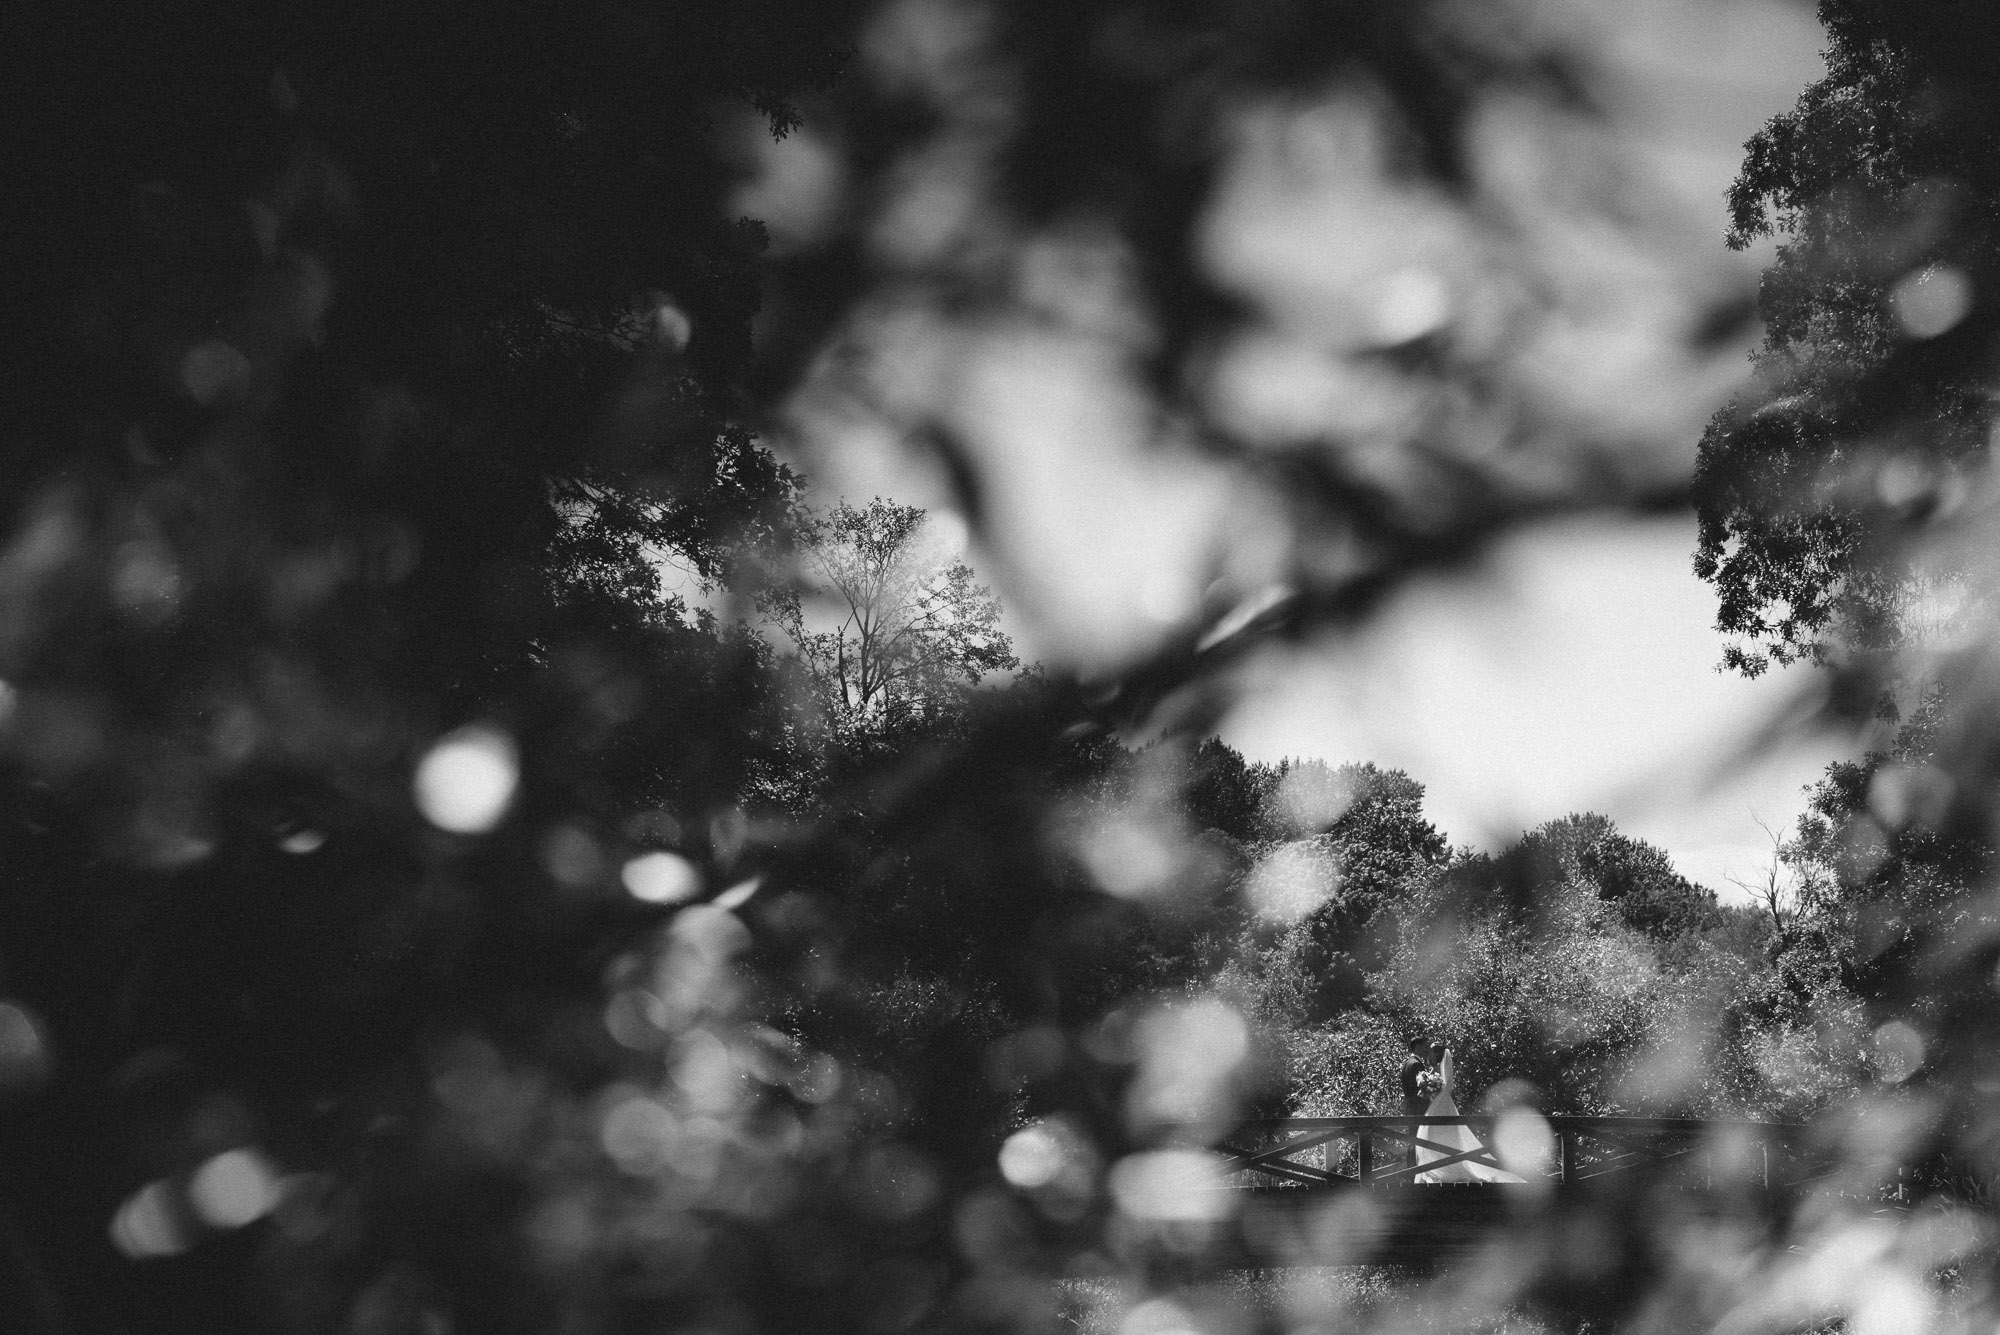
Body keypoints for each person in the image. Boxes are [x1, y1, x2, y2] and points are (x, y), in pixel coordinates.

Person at [1414, 1046, 1524, 1183]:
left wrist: (1432, 1087)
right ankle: (1436, 1167)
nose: (1429, 1053)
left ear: (1437, 1053)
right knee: (1434, 1133)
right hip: (1438, 1101)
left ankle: (1447, 1167)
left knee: (1442, 1132)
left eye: (1431, 1051)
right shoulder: (1436, 1067)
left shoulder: (1441, 1067)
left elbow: (1447, 1085)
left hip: (1442, 1102)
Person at [1398, 1037, 1434, 1172]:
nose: (1427, 1049)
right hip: (1417, 1107)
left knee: (1413, 1138)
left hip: (1409, 1106)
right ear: (1418, 1046)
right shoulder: (1416, 1064)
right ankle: (1414, 1170)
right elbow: (1419, 1090)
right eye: (1425, 1046)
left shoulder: (1407, 1063)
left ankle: (1412, 1170)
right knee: (1418, 1138)